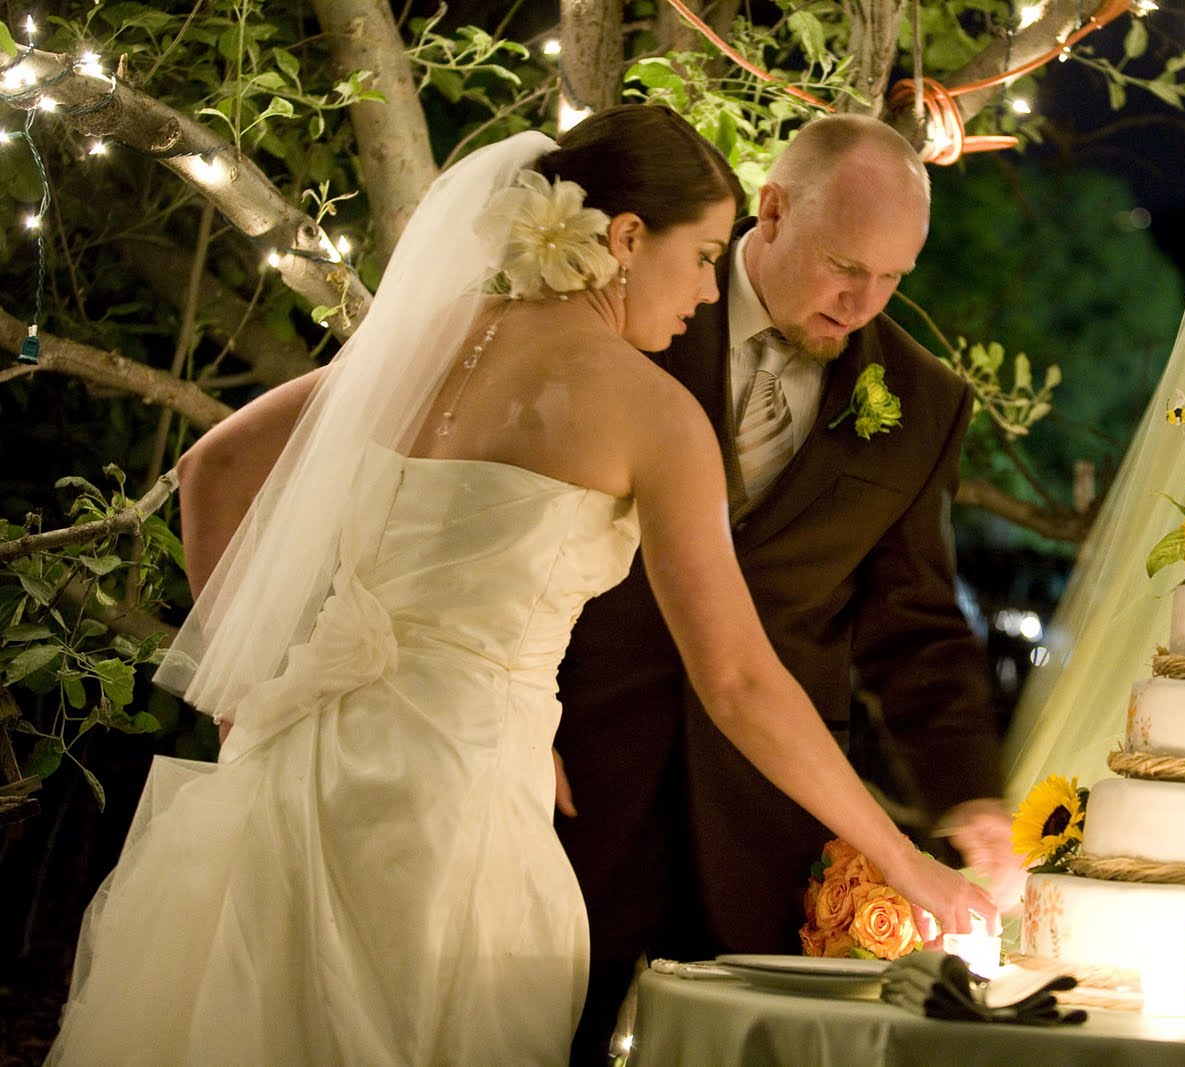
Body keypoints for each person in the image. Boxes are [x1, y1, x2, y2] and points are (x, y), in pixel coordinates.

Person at [46, 105, 996, 1066]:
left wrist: (243, 691)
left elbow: (213, 470)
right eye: (705, 254)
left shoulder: (424, 341)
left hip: (303, 762)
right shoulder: (658, 414)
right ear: (625, 239)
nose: (711, 291)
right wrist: (902, 857)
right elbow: (740, 682)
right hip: (458, 803)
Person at [553, 113, 1021, 1063]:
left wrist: (969, 794)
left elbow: (916, 624)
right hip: (578, 778)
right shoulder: (631, 308)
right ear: (771, 211)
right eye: (847, 265)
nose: (864, 302)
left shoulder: (922, 400)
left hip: (764, 822)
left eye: (894, 278)